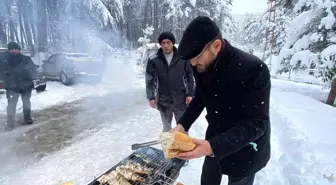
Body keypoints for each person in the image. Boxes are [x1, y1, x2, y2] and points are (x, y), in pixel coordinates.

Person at [171, 16, 271, 185]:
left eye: (196, 58)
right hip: (215, 135)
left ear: (216, 46)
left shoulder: (254, 69)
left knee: (239, 180)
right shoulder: (201, 64)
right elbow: (200, 97)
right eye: (191, 61)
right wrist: (182, 125)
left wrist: (213, 146)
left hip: (246, 146)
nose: (193, 65)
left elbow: (257, 123)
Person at [145, 31, 195, 132]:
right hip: (163, 100)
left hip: (180, 99)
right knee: (166, 128)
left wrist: (190, 94)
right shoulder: (153, 60)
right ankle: (168, 147)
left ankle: (184, 147)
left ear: (173, 43)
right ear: (160, 44)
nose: (166, 45)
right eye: (163, 43)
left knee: (183, 128)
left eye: (168, 42)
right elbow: (149, 80)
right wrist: (151, 97)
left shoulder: (183, 58)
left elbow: (190, 77)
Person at [3, 42, 37, 131]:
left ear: (19, 49)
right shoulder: (5, 61)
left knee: (26, 103)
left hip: (25, 85)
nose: (14, 51)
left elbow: (34, 70)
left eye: (15, 49)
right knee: (11, 105)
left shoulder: (26, 59)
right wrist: (7, 81)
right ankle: (9, 123)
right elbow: (2, 74)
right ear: (9, 50)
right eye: (11, 49)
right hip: (12, 87)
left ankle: (27, 119)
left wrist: (30, 77)